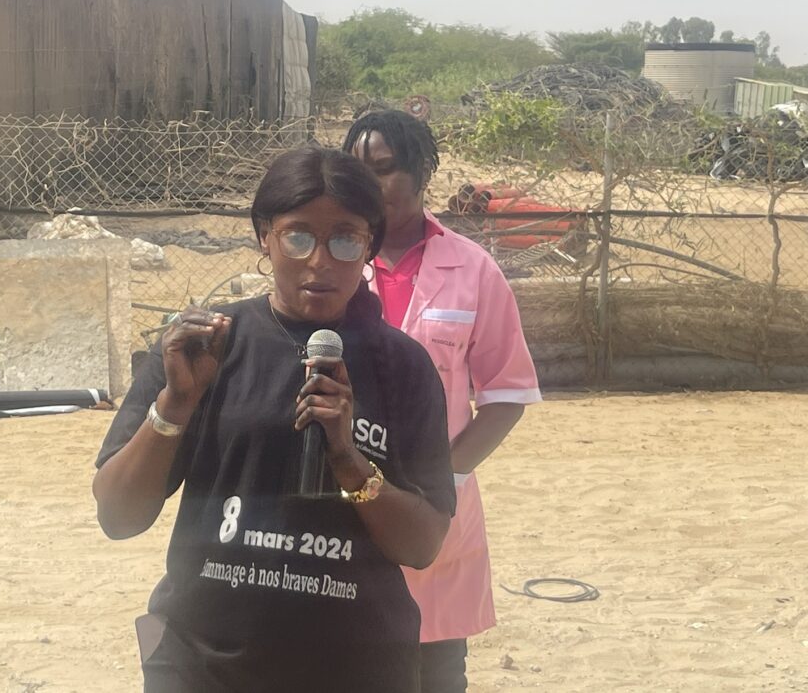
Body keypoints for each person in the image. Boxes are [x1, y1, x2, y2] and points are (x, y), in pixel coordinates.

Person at [93, 145, 455, 693]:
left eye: (345, 238)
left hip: (357, 668)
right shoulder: (205, 349)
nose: (320, 261)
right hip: (203, 665)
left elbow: (422, 545)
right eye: (299, 235)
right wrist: (175, 405)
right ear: (265, 235)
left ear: (368, 245)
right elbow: (118, 516)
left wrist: (349, 460)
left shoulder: (402, 367)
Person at [344, 109, 542, 692]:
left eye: (384, 170)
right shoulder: (332, 262)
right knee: (346, 651)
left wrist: (445, 475)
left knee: (433, 665)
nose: (370, 186)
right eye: (357, 171)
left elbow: (507, 394)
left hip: (435, 501)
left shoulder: (474, 271)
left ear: (422, 171)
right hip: (341, 489)